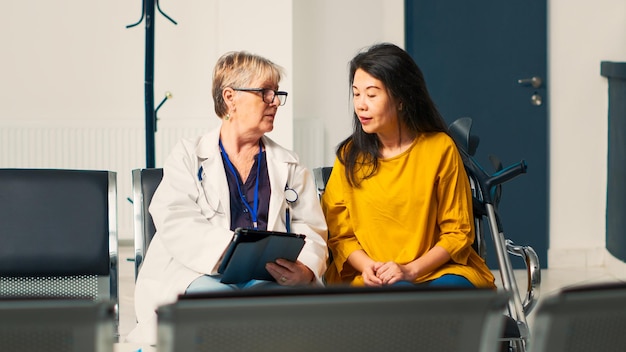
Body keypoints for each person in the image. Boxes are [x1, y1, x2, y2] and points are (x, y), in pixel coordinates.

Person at [127, 51, 328, 345]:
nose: (275, 102)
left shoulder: (289, 164)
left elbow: (310, 227)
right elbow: (176, 220)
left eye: (276, 93)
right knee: (221, 310)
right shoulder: (188, 156)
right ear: (230, 97)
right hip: (198, 275)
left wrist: (306, 269)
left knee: (286, 313)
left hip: (268, 278)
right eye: (265, 92)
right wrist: (233, 254)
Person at [321, 42, 495, 289]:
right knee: (400, 295)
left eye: (371, 94)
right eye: (356, 93)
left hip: (436, 270)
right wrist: (367, 266)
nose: (361, 104)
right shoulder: (350, 156)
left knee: (453, 294)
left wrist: (410, 270)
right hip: (374, 277)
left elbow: (458, 232)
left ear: (401, 99)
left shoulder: (439, 148)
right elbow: (340, 235)